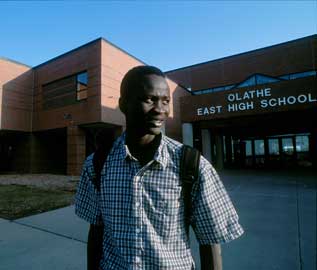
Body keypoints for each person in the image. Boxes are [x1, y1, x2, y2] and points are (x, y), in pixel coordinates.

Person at [75, 65, 244, 270]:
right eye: (149, 99)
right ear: (123, 104)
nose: (160, 109)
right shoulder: (98, 164)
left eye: (165, 101)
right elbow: (96, 229)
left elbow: (210, 241)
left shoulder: (191, 165)